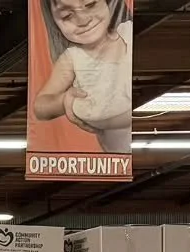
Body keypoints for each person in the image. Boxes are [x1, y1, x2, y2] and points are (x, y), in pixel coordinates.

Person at [32, 0, 133, 154]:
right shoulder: (73, 58)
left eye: (91, 4)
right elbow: (40, 107)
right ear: (54, 22)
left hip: (151, 137)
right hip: (118, 154)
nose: (83, 20)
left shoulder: (129, 33)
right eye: (67, 15)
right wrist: (64, 100)